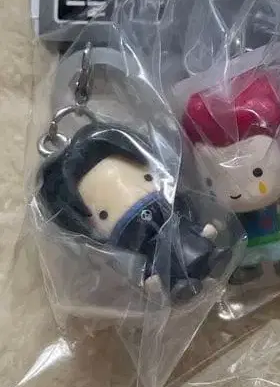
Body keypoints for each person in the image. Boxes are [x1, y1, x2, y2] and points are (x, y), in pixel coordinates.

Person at [37, 123, 221, 301]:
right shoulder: (131, 246)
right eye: (103, 214)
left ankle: (212, 257)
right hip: (157, 258)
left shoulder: (172, 209)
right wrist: (151, 279)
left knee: (193, 243)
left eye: (147, 178)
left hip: (184, 236)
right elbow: (139, 266)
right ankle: (180, 285)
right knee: (165, 266)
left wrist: (201, 232)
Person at [183, 68, 280, 283]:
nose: (236, 192)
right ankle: (250, 267)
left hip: (275, 232)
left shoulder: (277, 201)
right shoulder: (233, 213)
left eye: (257, 173)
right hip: (247, 242)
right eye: (212, 181)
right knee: (248, 253)